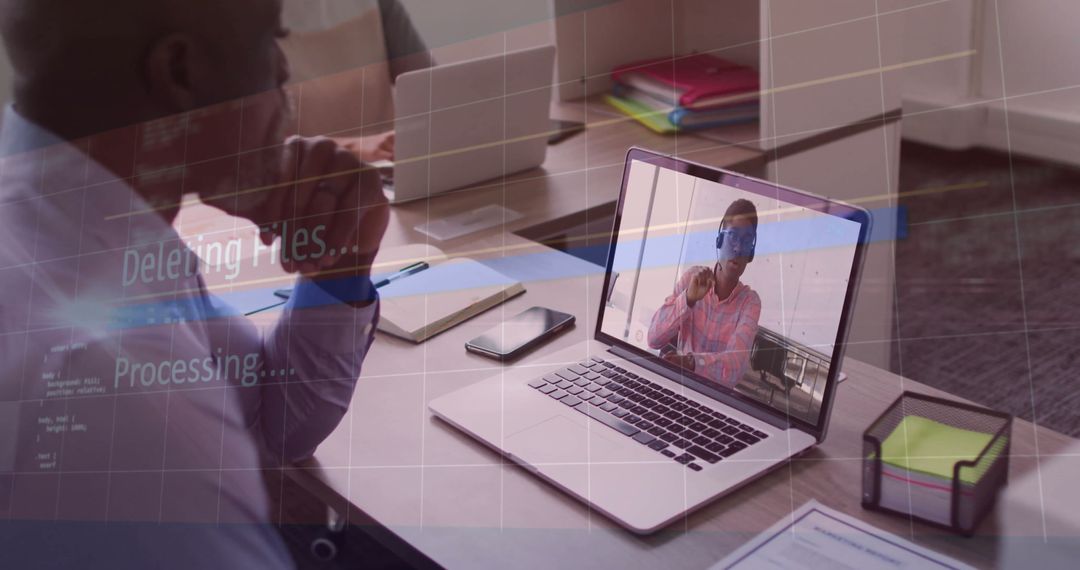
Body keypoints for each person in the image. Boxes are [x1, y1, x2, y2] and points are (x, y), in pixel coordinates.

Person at [0, 0, 388, 567]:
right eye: (270, 41)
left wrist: (340, 266)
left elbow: (272, 426)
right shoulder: (108, 375)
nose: (285, 71)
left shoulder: (80, 229)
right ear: (180, 71)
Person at [647, 199, 762, 388]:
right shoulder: (692, 278)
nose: (738, 248)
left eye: (746, 240)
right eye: (733, 236)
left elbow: (735, 367)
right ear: (720, 240)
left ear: (751, 251)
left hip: (714, 397)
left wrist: (690, 363)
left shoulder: (750, 302)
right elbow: (653, 338)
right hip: (678, 386)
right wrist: (688, 299)